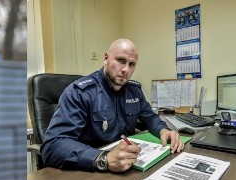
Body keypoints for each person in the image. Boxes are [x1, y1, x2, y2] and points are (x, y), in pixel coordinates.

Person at [40, 39, 184, 172]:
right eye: (121, 60)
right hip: (89, 168)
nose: (126, 70)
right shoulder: (80, 92)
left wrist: (163, 131)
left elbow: (150, 117)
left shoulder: (134, 90)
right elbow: (53, 146)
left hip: (127, 165)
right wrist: (104, 158)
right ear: (106, 58)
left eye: (131, 64)